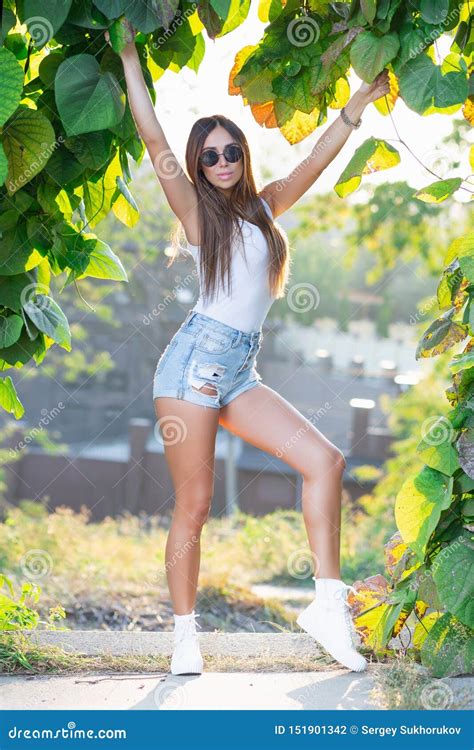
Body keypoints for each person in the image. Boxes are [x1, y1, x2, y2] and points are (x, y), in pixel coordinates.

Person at [106, 22, 390, 676]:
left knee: (325, 461)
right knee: (196, 503)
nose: (223, 161)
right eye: (211, 155)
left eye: (231, 149)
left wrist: (356, 107)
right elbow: (153, 141)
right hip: (191, 368)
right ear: (199, 164)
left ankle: (326, 604)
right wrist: (128, 57)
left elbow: (313, 162)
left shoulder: (264, 209)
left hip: (240, 370)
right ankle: (184, 637)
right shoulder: (199, 218)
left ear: (243, 154)